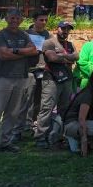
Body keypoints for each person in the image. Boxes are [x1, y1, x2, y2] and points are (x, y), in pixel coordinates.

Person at [0, 8, 38, 159]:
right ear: (6, 19)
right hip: (2, 78)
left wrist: (15, 51)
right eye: (12, 18)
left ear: (21, 20)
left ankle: (4, 143)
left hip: (20, 78)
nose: (14, 21)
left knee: (13, 113)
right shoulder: (1, 35)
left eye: (17, 19)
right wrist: (22, 52)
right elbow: (3, 54)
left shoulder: (24, 34)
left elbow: (33, 50)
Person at [34, 20, 78, 149]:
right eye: (63, 28)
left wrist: (63, 56)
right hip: (51, 79)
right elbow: (52, 58)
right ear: (57, 28)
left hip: (67, 79)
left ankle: (58, 136)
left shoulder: (70, 44)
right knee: (47, 108)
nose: (65, 31)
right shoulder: (49, 42)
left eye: (68, 29)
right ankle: (41, 137)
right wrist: (67, 57)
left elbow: (77, 56)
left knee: (64, 109)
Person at [12, 9, 50, 143]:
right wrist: (31, 50)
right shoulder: (26, 34)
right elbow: (19, 52)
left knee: (39, 103)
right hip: (29, 71)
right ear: (34, 20)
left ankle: (34, 128)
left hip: (43, 72)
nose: (44, 22)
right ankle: (17, 131)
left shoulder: (47, 35)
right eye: (41, 20)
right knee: (25, 102)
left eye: (46, 20)